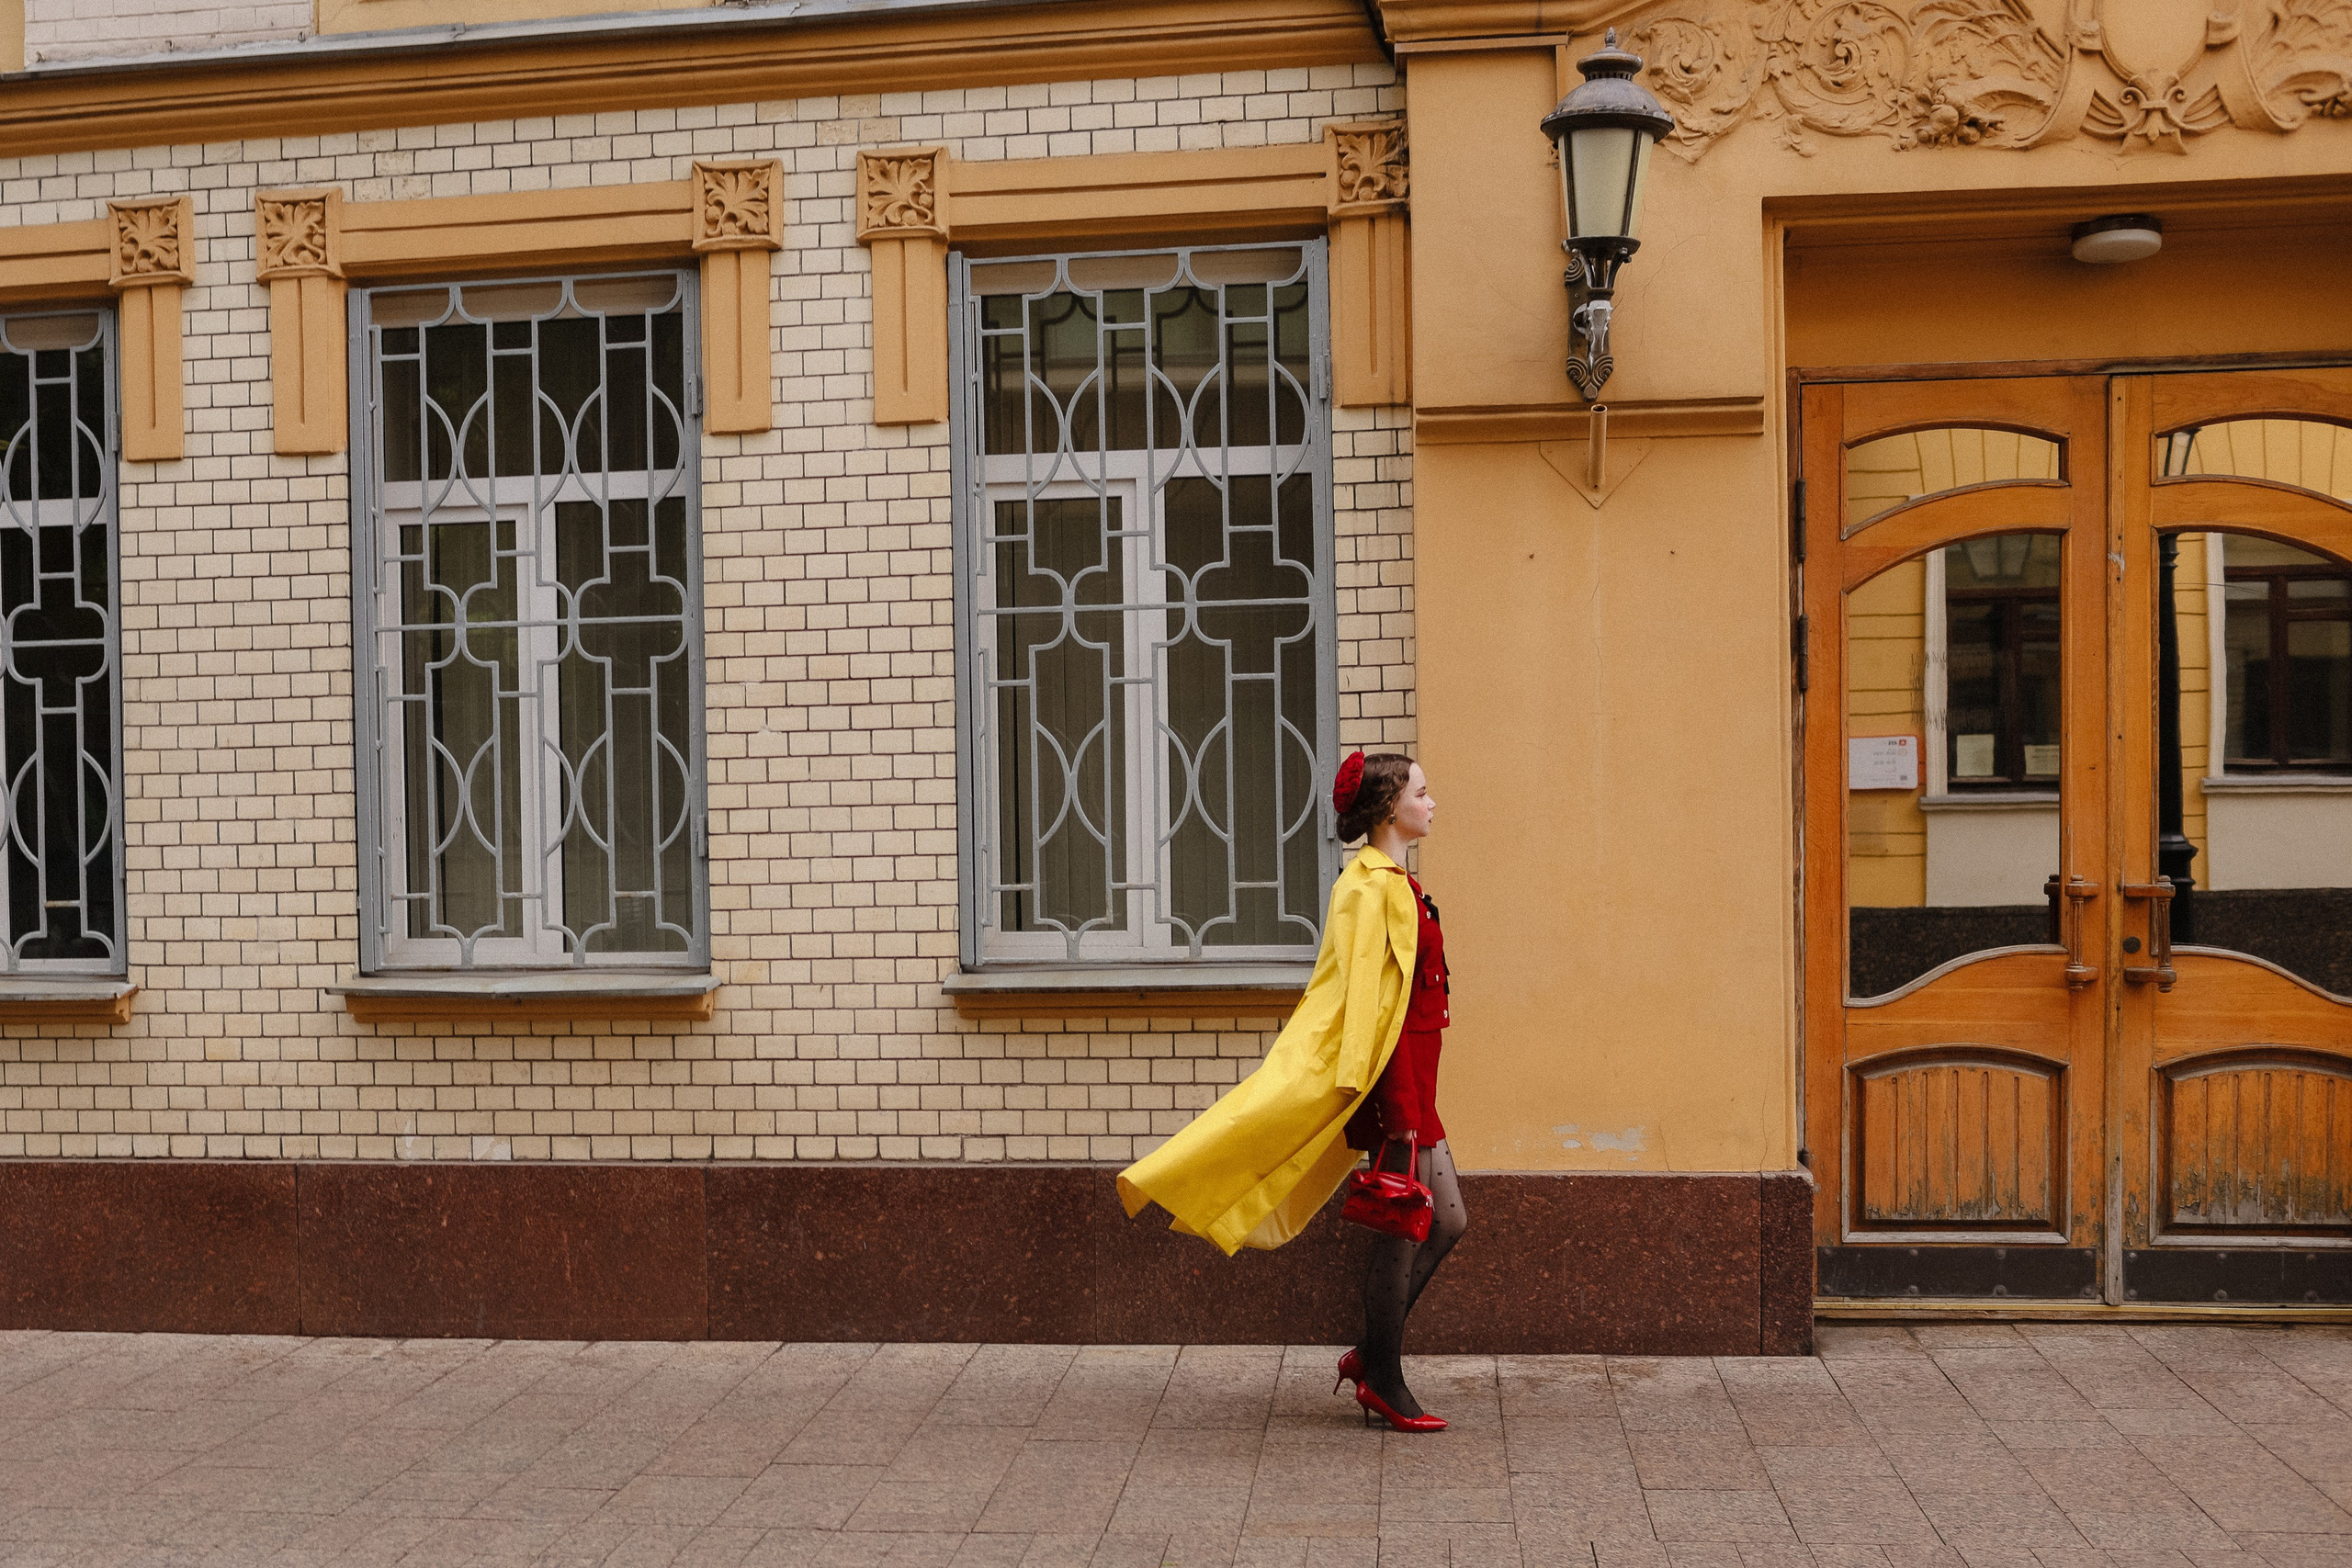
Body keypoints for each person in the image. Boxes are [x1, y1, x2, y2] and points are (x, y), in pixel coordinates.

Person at [1116, 752, 1467, 1433]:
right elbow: (1367, 1010)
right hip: (1399, 1085)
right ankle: (1385, 1379)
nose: (1433, 802)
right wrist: (1397, 1115)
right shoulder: (1370, 889)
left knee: (1447, 1220)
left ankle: (1371, 1357)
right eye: (1423, 792)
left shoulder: (1394, 881)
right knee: (1406, 1230)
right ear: (1390, 807)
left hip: (1420, 1077)